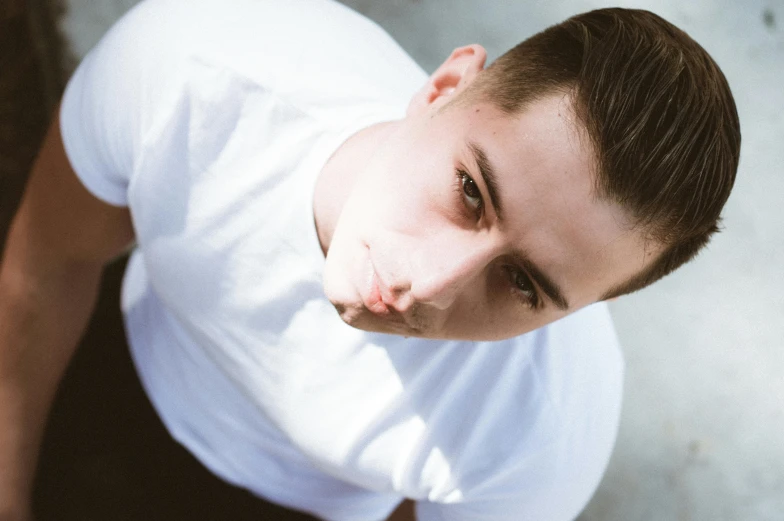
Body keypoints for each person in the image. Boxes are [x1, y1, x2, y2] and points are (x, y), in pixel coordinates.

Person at [0, 0, 740, 520]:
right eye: (470, 192)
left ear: (583, 309)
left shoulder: (546, 435)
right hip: (106, 364)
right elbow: (46, 265)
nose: (431, 285)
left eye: (522, 283)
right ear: (444, 88)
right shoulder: (192, 68)